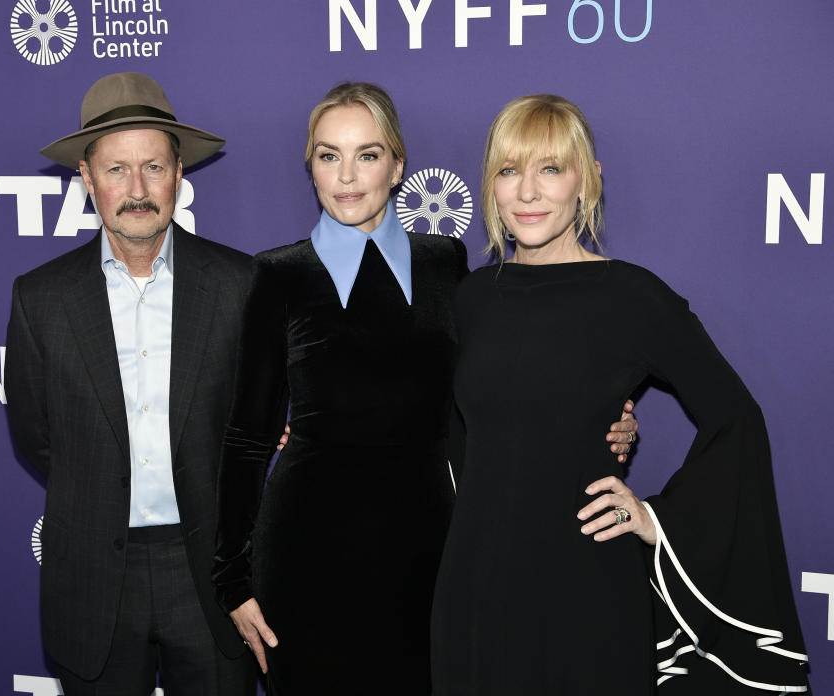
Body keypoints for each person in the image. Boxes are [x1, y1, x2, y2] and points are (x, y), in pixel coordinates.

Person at [211, 83, 637, 695]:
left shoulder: (445, 263)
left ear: (398, 165)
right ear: (311, 167)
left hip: (432, 552)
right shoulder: (277, 275)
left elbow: (498, 390)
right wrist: (233, 579)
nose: (348, 176)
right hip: (306, 554)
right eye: (329, 156)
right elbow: (248, 437)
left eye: (368, 154)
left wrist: (605, 417)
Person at [430, 94, 810, 694]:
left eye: (550, 168)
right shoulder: (471, 298)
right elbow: (447, 428)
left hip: (583, 584)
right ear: (491, 186)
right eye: (509, 170)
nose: (527, 191)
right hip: (474, 581)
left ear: (588, 181)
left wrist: (658, 519)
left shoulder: (634, 298)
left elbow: (735, 416)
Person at [5, 72, 255, 695]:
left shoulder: (240, 285)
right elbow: (36, 437)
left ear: (178, 175)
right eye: (116, 170)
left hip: (211, 575)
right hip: (93, 577)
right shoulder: (40, 299)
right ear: (87, 180)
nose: (137, 190)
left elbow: (254, 425)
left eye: (153, 167)